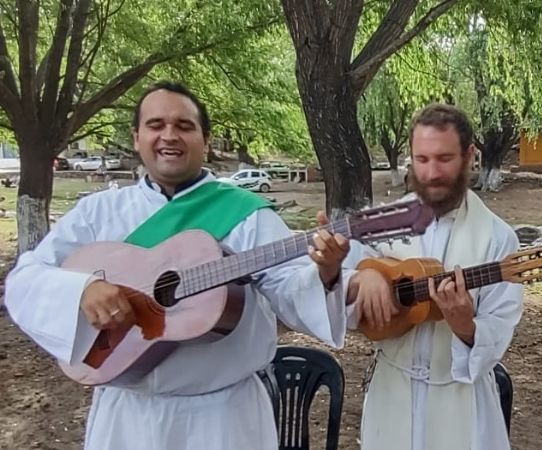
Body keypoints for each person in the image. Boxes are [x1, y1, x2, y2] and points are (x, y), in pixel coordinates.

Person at [4, 81, 352, 450]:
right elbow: (26, 279)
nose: (169, 136)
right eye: (156, 125)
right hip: (126, 420)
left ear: (206, 140)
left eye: (184, 126)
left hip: (223, 420)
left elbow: (290, 288)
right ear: (136, 138)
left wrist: (326, 273)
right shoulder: (97, 214)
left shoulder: (247, 215)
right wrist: (81, 291)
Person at [342, 103, 524, 450]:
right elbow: (340, 295)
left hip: (463, 404)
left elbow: (499, 332)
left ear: (471, 155)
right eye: (421, 160)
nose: (431, 173)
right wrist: (360, 280)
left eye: (444, 158)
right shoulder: (380, 223)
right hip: (391, 391)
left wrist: (465, 325)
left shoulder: (499, 239)